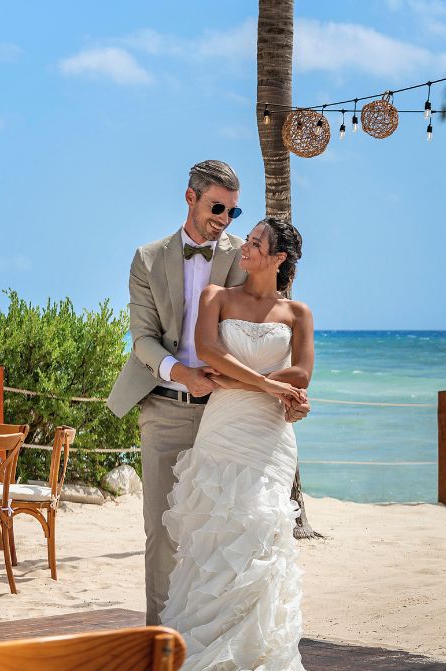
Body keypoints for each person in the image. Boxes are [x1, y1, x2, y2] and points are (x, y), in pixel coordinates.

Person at [7, 217, 378, 671]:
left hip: (271, 438)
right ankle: (191, 658)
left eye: (256, 242)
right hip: (224, 426)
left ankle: (258, 660)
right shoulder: (214, 295)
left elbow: (301, 370)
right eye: (247, 237)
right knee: (209, 538)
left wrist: (267, 387)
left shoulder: (298, 313)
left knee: (262, 538)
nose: (245, 245)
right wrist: (271, 385)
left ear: (278, 260)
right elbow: (206, 350)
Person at [104, 160, 308, 626]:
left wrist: (286, 393)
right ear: (190, 197)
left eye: (234, 212)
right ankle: (161, 640)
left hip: (229, 413)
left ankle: (213, 638)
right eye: (218, 207)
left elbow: (273, 321)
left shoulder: (245, 254)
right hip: (166, 406)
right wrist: (183, 373)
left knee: (224, 531)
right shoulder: (148, 258)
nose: (225, 220)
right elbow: (143, 340)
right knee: (162, 530)